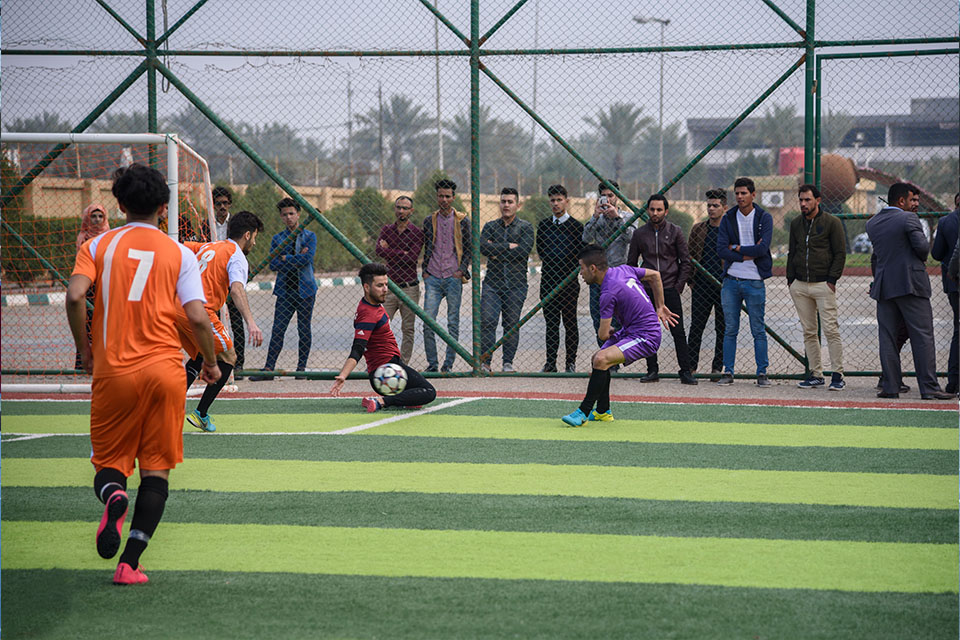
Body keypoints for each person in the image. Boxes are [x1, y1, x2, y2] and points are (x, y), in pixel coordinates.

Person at [65, 163, 219, 585]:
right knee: (156, 471)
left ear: (119, 204)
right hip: (166, 372)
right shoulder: (180, 253)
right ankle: (129, 564)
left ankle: (114, 495)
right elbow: (198, 317)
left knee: (108, 465)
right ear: (164, 207)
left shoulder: (98, 245)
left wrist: (84, 350)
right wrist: (209, 362)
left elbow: (75, 295)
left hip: (114, 371)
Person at [561, 244, 678, 427]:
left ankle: (582, 412)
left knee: (601, 359)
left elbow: (603, 335)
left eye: (582, 268)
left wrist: (608, 331)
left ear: (593, 268)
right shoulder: (623, 269)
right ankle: (603, 411)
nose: (580, 273)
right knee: (597, 358)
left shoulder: (607, 293)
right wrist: (660, 306)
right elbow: (655, 275)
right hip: (632, 331)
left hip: (646, 336)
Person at [176, 211, 266, 432]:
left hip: (176, 307)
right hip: (200, 311)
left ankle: (169, 407)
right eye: (255, 237)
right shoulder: (237, 256)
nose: (254, 243)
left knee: (200, 355)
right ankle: (201, 414)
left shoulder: (210, 246)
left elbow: (180, 247)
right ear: (247, 235)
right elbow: (236, 290)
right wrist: (251, 323)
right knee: (229, 356)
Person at [867, 182, 952, 399]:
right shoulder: (908, 219)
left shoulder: (872, 223)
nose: (916, 204)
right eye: (912, 200)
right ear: (901, 200)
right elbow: (923, 250)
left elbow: (876, 257)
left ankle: (890, 387)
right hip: (911, 284)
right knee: (922, 336)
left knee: (887, 337)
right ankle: (929, 388)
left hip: (884, 287)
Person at [331, 262, 437, 412]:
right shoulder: (368, 314)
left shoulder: (373, 303)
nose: (385, 289)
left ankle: (388, 400)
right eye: (380, 286)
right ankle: (380, 401)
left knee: (415, 398)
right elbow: (358, 348)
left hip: (392, 365)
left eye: (386, 284)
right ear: (367, 287)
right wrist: (343, 375)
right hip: (385, 372)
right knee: (428, 392)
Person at [626, 194, 695, 385]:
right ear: (647, 210)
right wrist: (638, 288)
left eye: (659, 210)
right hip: (647, 290)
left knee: (678, 332)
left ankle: (685, 371)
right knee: (648, 331)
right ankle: (652, 370)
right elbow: (631, 264)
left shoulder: (675, 231)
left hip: (670, 288)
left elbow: (686, 262)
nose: (655, 213)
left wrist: (678, 286)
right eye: (652, 209)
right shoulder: (639, 234)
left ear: (666, 211)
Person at [787, 184, 847, 391]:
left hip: (823, 284)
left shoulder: (832, 222)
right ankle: (816, 374)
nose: (803, 204)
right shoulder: (796, 223)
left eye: (807, 200)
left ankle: (838, 374)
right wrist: (791, 280)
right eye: (801, 200)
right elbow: (792, 251)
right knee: (809, 331)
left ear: (818, 201)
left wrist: (832, 280)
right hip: (800, 285)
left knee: (831, 330)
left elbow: (840, 253)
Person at [250, 197, 317, 381]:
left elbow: (307, 259)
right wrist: (294, 258)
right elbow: (273, 264)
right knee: (278, 329)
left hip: (305, 291)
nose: (288, 217)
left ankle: (301, 369)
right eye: (285, 214)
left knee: (304, 329)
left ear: (298, 214)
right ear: (281, 217)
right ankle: (269, 368)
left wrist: (285, 258)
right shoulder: (278, 238)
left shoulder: (309, 236)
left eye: (291, 213)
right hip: (285, 291)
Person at [716, 177, 774, 387]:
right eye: (737, 193)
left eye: (744, 193)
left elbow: (762, 249)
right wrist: (745, 255)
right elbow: (721, 249)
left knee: (758, 329)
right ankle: (728, 371)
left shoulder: (764, 218)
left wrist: (737, 248)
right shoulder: (728, 218)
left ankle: (762, 373)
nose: (740, 197)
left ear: (753, 195)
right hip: (731, 280)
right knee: (730, 329)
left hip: (755, 281)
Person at [479, 187, 534, 372]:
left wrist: (496, 250)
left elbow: (523, 251)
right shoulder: (490, 226)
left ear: (518, 205)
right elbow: (483, 248)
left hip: (516, 285)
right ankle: (485, 362)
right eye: (503, 201)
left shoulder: (525, 227)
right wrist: (508, 246)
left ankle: (507, 363)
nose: (506, 205)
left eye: (510, 202)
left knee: (511, 325)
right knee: (487, 321)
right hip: (492, 284)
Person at [421, 179, 472, 373]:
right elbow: (426, 245)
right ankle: (432, 364)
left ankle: (448, 364)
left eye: (447, 196)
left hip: (453, 277)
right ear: (437, 197)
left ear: (453, 198)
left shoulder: (462, 221)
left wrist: (461, 270)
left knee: (453, 323)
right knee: (428, 322)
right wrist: (425, 271)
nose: (444, 199)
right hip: (433, 276)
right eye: (441, 196)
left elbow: (468, 248)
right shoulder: (429, 220)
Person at [537, 184, 584, 372]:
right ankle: (551, 362)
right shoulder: (544, 226)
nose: (555, 203)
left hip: (569, 283)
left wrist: (564, 260)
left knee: (570, 323)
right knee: (551, 324)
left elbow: (578, 252)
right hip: (548, 281)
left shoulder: (576, 227)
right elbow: (542, 251)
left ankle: (570, 362)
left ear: (567, 201)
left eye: (559, 200)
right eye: (552, 200)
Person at [582, 181, 634, 349]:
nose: (608, 200)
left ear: (617, 197)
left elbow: (631, 238)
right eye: (604, 196)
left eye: (611, 196)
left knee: (619, 319)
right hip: (599, 276)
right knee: (598, 318)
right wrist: (595, 216)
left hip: (619, 274)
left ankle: (617, 355)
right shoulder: (597, 218)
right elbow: (585, 238)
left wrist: (617, 218)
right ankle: (605, 353)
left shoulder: (627, 217)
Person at [376, 195, 424, 364]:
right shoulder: (387, 230)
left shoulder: (417, 233)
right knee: (381, 326)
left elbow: (412, 258)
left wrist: (390, 251)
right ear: (394, 209)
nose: (401, 211)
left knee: (408, 329)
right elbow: (378, 251)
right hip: (389, 287)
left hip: (409, 287)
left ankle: (403, 364)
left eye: (405, 208)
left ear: (411, 211)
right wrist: (401, 253)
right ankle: (381, 361)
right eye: (398, 207)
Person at [209, 186, 249, 380]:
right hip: (215, 279)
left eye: (225, 203)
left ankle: (238, 363)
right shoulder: (206, 224)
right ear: (213, 205)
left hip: (231, 277)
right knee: (213, 322)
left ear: (230, 204)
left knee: (236, 321)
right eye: (218, 204)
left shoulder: (235, 225)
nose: (222, 207)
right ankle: (215, 361)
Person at [687, 189, 726, 378]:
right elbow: (689, 256)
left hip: (724, 285)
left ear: (724, 207)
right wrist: (691, 280)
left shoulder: (730, 230)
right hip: (701, 285)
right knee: (696, 326)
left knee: (722, 327)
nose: (711, 209)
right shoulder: (698, 229)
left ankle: (717, 367)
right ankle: (690, 366)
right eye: (709, 205)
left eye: (715, 205)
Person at [74, 203, 111, 369]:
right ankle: (82, 362)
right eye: (93, 216)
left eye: (100, 216)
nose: (97, 220)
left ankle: (104, 361)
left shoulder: (110, 237)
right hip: (88, 285)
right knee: (86, 322)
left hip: (105, 284)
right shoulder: (83, 238)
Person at [930, 192, 959, 395]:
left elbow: (937, 253)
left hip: (954, 283)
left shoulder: (946, 222)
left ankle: (953, 381)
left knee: (958, 330)